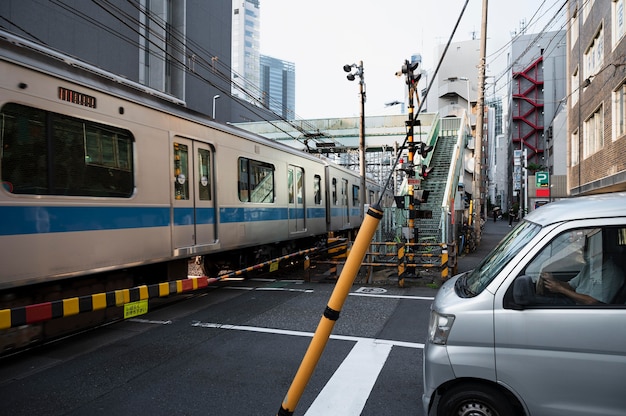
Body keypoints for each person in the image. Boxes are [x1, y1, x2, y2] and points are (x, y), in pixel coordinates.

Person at [540, 254, 623, 305]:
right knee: (539, 300)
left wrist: (560, 289)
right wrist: (554, 281)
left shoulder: (612, 273)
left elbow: (593, 302)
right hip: (575, 302)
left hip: (586, 310)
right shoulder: (591, 266)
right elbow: (571, 286)